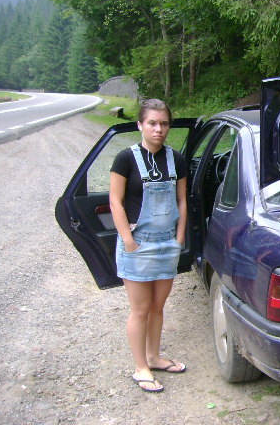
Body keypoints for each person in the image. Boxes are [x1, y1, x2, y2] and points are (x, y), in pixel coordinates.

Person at [110, 98, 188, 392]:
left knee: (158, 306)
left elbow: (182, 200)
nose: (159, 129)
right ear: (140, 125)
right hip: (138, 245)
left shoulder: (176, 160)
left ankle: (154, 357)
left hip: (167, 243)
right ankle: (140, 367)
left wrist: (179, 237)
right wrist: (128, 241)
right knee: (140, 309)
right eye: (152, 123)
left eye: (164, 123)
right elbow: (115, 202)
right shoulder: (125, 159)